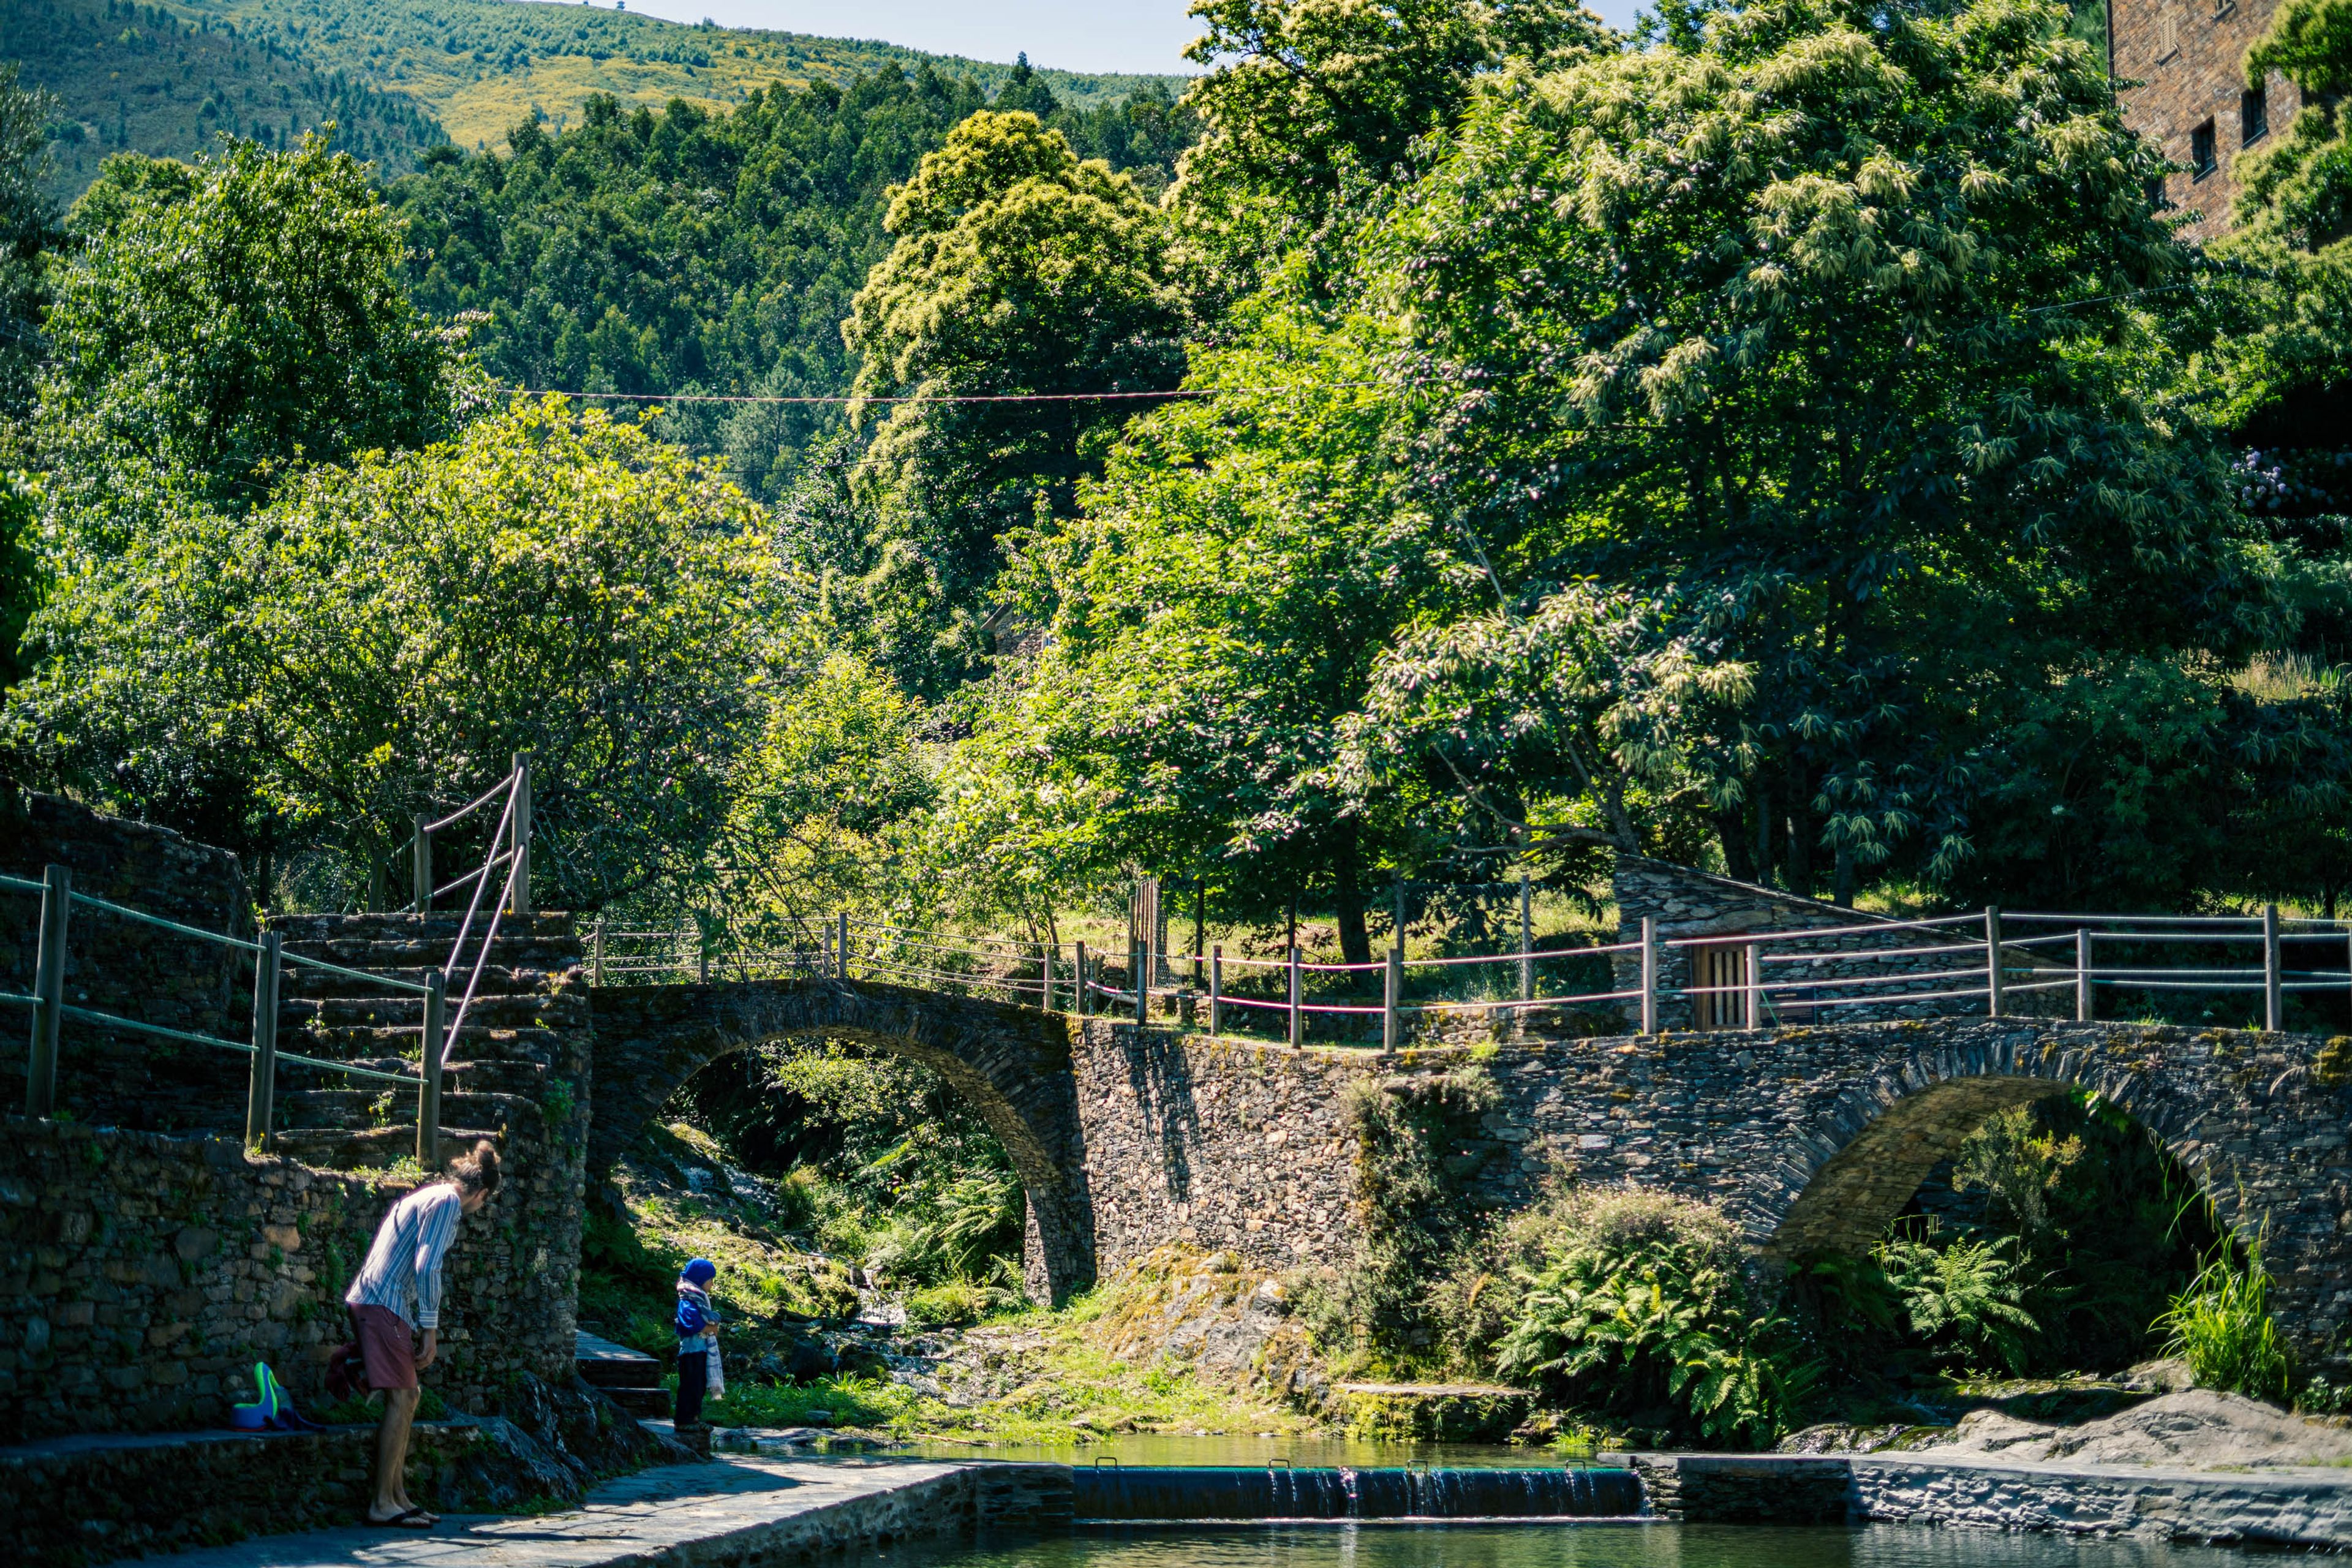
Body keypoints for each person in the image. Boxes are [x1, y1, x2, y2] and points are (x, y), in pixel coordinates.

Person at [343, 1140, 502, 1529]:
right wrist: (430, 1330)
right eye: (485, 1202)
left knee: (409, 1396)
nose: (480, 1209)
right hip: (383, 1303)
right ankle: (382, 1502)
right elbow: (428, 1267)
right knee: (403, 1398)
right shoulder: (448, 1203)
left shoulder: (430, 1195)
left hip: (381, 1302)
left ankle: (398, 1496)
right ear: (481, 1193)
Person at [674, 1257, 720, 1431]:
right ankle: (683, 1420)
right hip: (691, 1354)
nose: (712, 1284)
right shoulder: (688, 1301)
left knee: (699, 1386)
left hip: (700, 1352)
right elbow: (689, 1322)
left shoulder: (698, 1300)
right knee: (690, 1386)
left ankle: (694, 1419)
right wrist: (709, 1327)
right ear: (701, 1280)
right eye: (710, 1280)